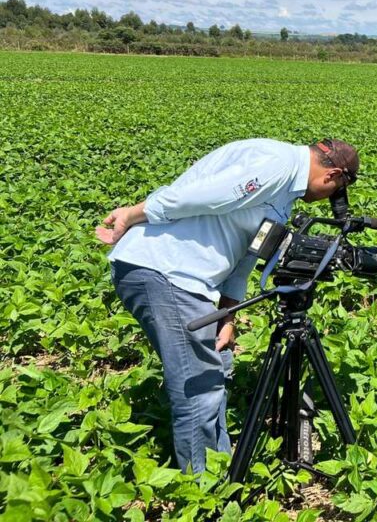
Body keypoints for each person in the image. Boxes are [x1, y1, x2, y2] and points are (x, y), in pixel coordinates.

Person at [95, 137, 359, 473]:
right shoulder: (276, 163)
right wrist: (132, 215)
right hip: (166, 269)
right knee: (200, 385)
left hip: (190, 279)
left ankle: (220, 466)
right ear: (332, 175)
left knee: (217, 365)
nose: (327, 199)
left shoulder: (285, 188)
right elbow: (203, 196)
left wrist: (229, 312)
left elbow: (248, 252)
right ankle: (203, 487)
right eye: (334, 190)